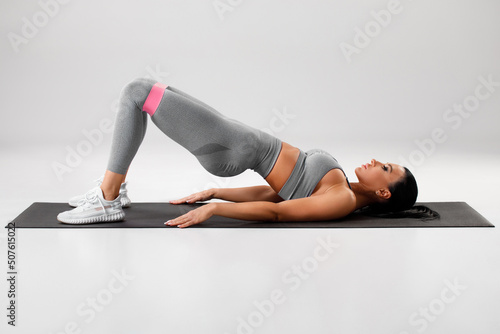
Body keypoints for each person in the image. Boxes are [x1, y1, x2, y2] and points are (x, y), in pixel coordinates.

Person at [57, 78, 439, 227]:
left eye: (385, 168)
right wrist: (215, 191)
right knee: (152, 90)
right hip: (237, 139)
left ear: (384, 191)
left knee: (137, 92)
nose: (375, 161)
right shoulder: (343, 189)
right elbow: (278, 192)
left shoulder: (339, 199)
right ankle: (114, 190)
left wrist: (216, 210)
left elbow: (276, 211)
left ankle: (108, 196)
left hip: (236, 147)